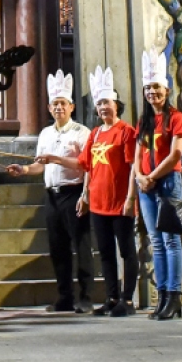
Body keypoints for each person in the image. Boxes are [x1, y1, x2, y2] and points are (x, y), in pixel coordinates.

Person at [6, 70, 93, 314]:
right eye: (55, 104)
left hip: (74, 192)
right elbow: (39, 165)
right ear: (48, 107)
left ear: (71, 106)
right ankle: (64, 296)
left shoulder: (81, 132)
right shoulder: (45, 133)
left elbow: (86, 165)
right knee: (58, 248)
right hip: (52, 195)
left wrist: (85, 195)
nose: (59, 108)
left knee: (82, 245)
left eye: (63, 104)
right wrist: (23, 169)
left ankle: (86, 297)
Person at [77, 66, 138, 317]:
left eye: (107, 102)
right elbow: (88, 167)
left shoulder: (126, 132)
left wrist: (130, 198)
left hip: (120, 201)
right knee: (105, 252)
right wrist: (84, 195)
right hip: (98, 202)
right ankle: (112, 297)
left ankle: (128, 300)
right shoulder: (94, 133)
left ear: (117, 104)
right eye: (100, 103)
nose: (103, 107)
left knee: (126, 250)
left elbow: (134, 165)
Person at [133, 48, 182, 320]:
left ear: (166, 90)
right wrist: (139, 177)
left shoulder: (176, 118)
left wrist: (152, 177)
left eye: (156, 87)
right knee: (156, 241)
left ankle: (174, 295)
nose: (152, 92)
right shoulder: (143, 120)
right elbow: (135, 156)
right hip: (145, 185)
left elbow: (176, 153)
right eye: (148, 87)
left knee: (170, 240)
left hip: (167, 182)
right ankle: (162, 296)